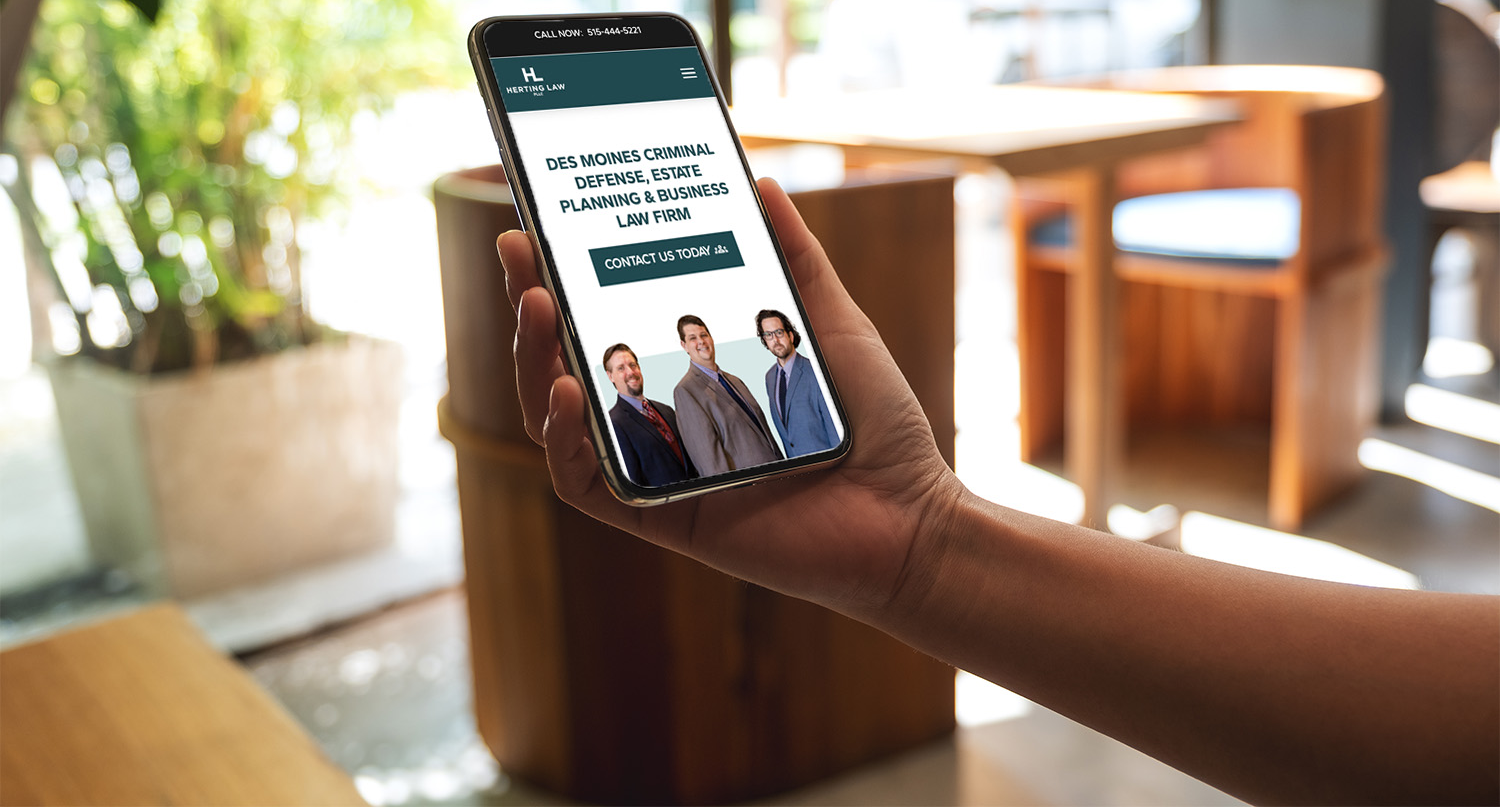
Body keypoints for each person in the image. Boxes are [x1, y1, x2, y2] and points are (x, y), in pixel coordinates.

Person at [497, 178, 1499, 806]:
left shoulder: (756, 385)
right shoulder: (693, 394)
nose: (723, 345)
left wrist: (926, 547)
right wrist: (923, 544)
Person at [670, 314, 782, 476]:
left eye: (704, 335)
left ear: (711, 338)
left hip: (778, 474)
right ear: (684, 346)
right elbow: (709, 461)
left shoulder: (735, 381)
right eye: (692, 338)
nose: (701, 341)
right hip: (749, 488)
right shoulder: (686, 391)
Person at [602, 342, 698, 487]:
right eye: (621, 368)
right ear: (610, 376)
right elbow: (633, 483)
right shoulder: (614, 423)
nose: (630, 372)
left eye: (632, 365)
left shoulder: (666, 410)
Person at [755, 308, 840, 458]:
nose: (775, 340)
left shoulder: (815, 371)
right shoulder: (769, 378)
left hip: (826, 464)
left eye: (779, 333)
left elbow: (834, 429)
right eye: (768, 335)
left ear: (790, 335)